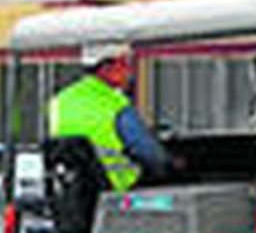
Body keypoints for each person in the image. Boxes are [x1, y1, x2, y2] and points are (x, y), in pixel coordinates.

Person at [48, 43, 172, 191]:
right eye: (124, 64)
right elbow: (152, 155)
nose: (129, 71)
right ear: (107, 68)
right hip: (119, 191)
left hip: (72, 192)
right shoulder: (116, 105)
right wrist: (173, 161)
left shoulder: (59, 101)